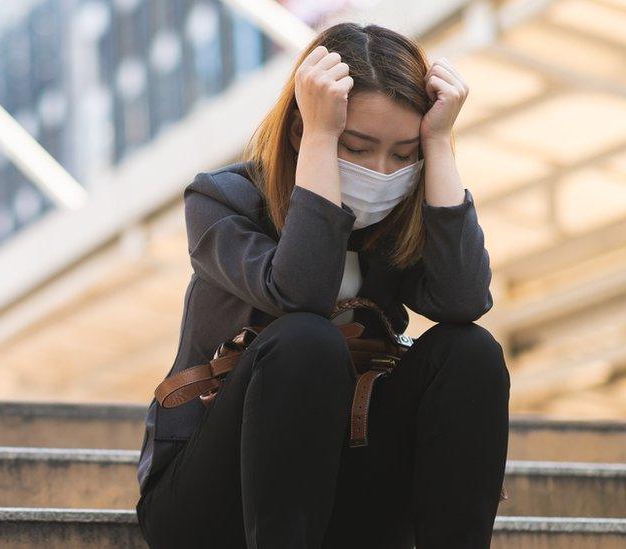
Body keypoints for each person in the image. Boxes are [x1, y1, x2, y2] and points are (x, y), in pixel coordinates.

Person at [134, 21, 510, 549]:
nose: (382, 172)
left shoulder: (394, 220)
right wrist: (322, 139)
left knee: (470, 350)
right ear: (299, 130)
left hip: (346, 494)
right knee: (305, 338)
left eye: (403, 154)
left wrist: (441, 145)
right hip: (213, 501)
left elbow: (464, 299)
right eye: (357, 147)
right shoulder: (223, 202)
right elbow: (301, 294)